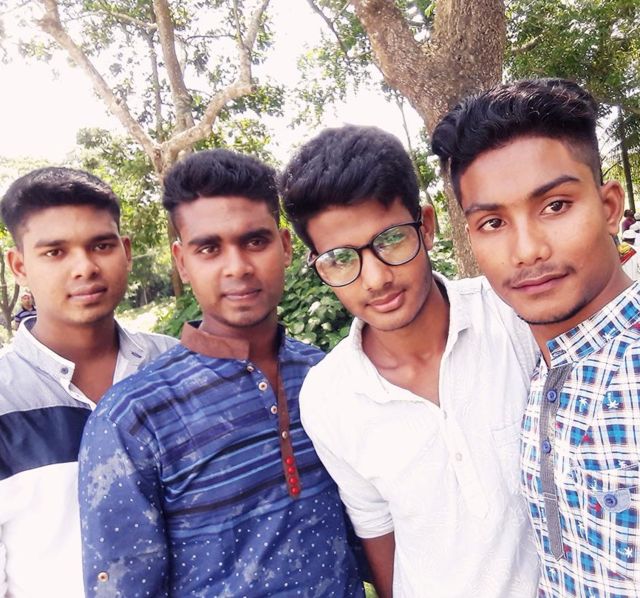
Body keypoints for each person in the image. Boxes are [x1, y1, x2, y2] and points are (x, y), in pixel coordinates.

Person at [78, 149, 364, 597]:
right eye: (209, 248)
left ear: (286, 246)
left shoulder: (326, 377)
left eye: (255, 241)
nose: (238, 267)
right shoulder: (133, 418)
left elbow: (373, 530)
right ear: (182, 262)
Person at [279, 125, 540, 597]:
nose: (375, 278)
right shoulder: (328, 398)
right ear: (319, 265)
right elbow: (379, 533)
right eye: (341, 259)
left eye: (391, 239)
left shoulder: (514, 317)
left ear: (428, 225)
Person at [432, 78, 639, 596]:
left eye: (556, 206)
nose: (526, 250)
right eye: (493, 222)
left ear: (610, 207)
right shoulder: (542, 364)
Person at [0, 167, 177, 597]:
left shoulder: (175, 368)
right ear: (19, 265)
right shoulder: (6, 399)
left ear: (126, 251)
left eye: (101, 245)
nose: (84, 267)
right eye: (55, 252)